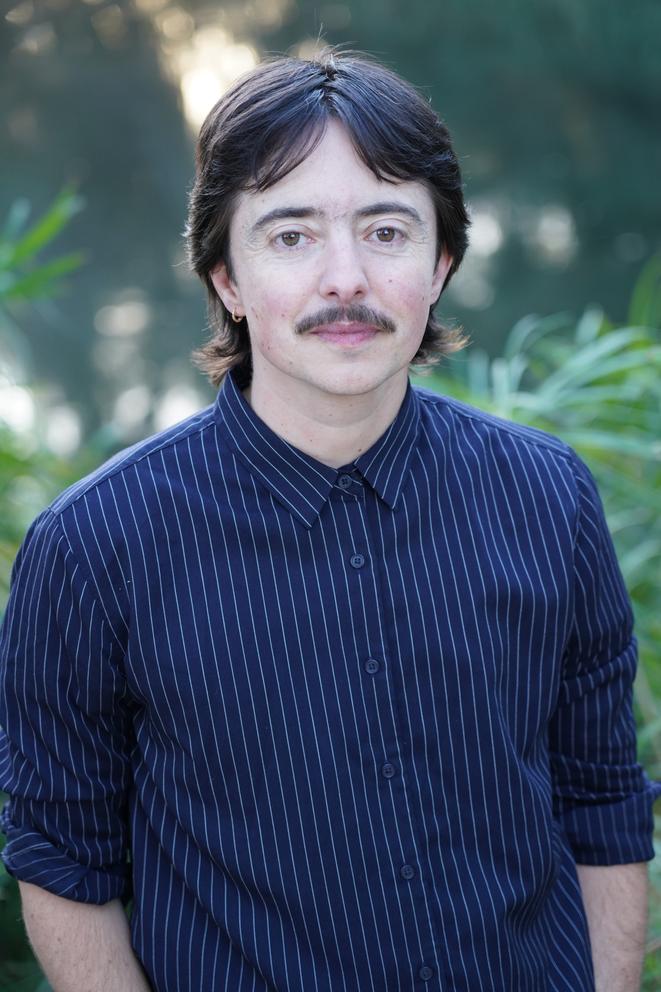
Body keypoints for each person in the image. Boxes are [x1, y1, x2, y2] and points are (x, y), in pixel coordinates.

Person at [0, 48, 658, 992]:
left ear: (439, 264)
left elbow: (600, 806)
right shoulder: (94, 549)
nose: (344, 279)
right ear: (225, 274)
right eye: (291, 235)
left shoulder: (547, 497)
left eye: (386, 231)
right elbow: (64, 864)